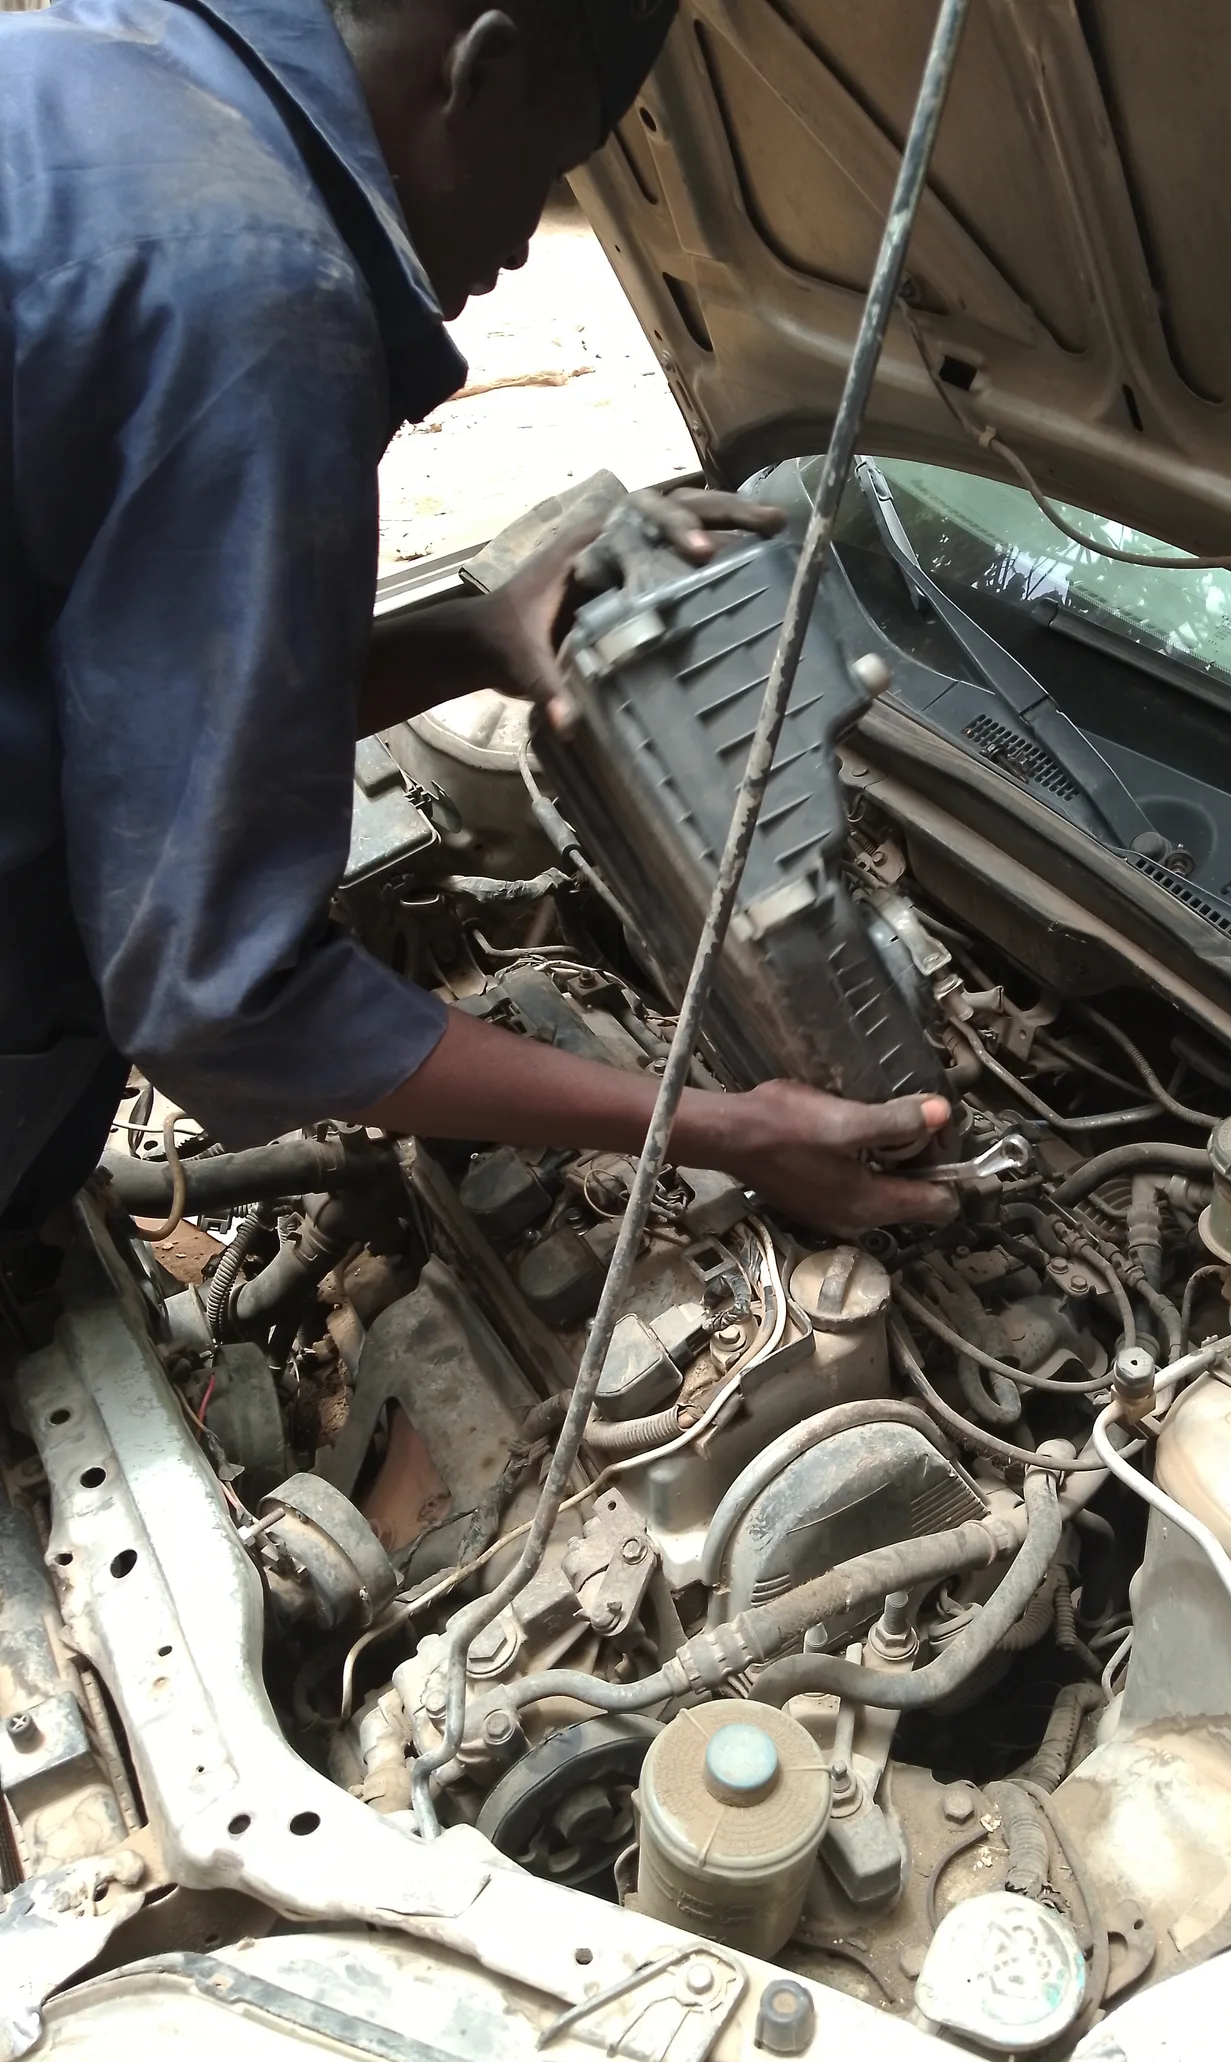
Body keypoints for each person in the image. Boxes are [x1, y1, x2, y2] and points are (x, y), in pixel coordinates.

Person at [0, 0, 956, 1247]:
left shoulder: (90, 63)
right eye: (551, 167)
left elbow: (132, 700)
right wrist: (718, 1129)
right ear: (483, 71)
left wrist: (469, 640)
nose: (518, 244)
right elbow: (221, 1003)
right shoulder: (259, 297)